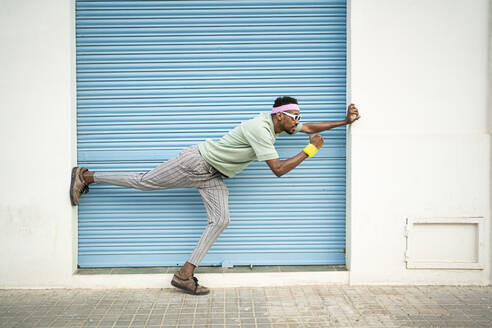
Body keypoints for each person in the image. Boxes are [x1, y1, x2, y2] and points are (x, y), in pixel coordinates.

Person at [70, 96, 360, 295]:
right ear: (280, 115)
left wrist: (343, 123)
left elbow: (309, 127)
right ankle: (87, 175)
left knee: (221, 220)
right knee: (145, 182)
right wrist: (311, 150)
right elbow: (279, 170)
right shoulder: (261, 129)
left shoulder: (276, 126)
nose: (298, 121)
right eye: (294, 116)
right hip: (196, 162)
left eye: (299, 117)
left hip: (211, 174)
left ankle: (184, 274)